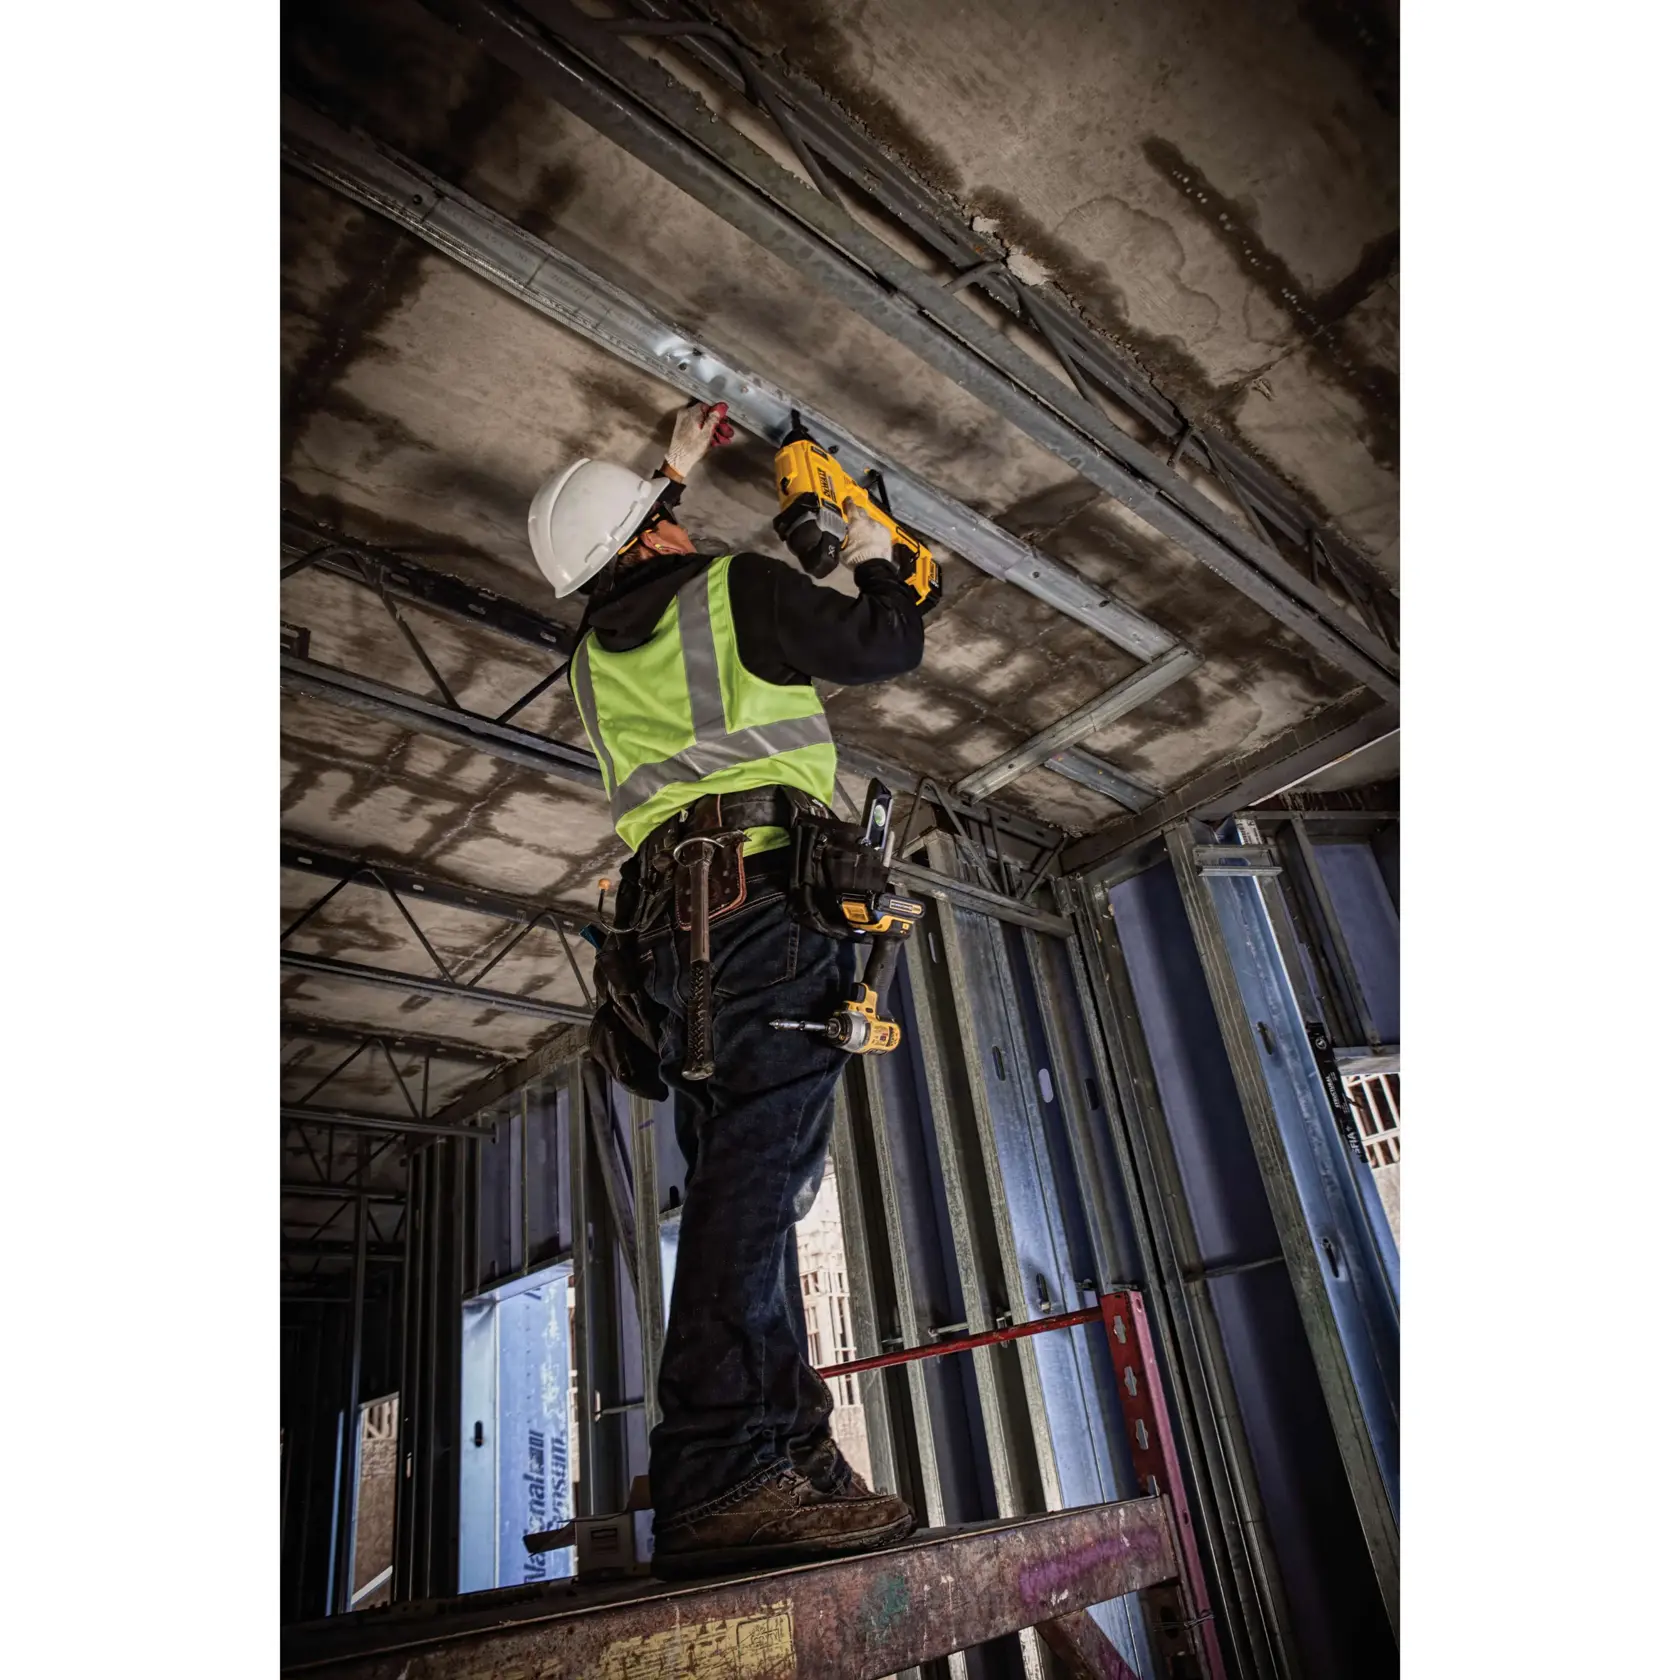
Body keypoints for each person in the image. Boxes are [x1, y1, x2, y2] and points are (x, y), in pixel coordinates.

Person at [527, 402, 935, 1578]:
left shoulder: (593, 662)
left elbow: (628, 562)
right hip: (760, 917)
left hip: (671, 942)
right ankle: (716, 1469)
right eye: (665, 515)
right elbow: (887, 645)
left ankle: (784, 1449)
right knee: (752, 1189)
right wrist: (875, 558)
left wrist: (666, 470)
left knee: (749, 1184)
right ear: (652, 538)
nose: (680, 523)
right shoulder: (733, 592)